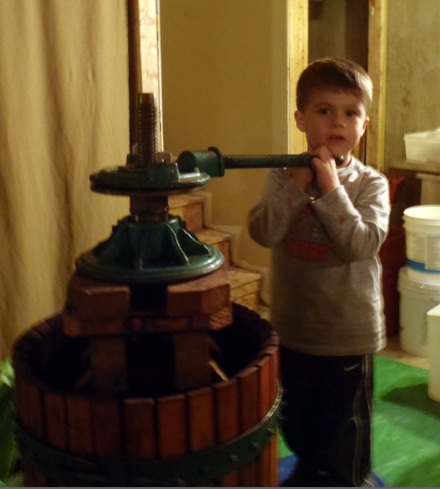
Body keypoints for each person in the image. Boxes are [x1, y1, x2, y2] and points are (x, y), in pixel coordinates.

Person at [248, 58, 390, 487]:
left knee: (343, 429)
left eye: (350, 112)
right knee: (298, 420)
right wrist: (297, 185)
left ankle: (346, 480)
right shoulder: (283, 175)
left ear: (364, 125)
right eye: (324, 110)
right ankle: (310, 470)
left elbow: (360, 244)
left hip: (346, 333)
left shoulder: (370, 184)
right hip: (294, 329)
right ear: (301, 119)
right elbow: (263, 231)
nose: (337, 122)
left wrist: (329, 188)